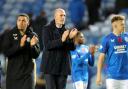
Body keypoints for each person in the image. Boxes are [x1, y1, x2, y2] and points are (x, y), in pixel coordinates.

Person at [41, 8, 78, 89]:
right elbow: (47, 45)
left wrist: (71, 38)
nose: (63, 17)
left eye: (64, 15)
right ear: (55, 17)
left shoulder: (67, 30)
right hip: (50, 66)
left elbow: (72, 48)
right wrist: (62, 40)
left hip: (63, 67)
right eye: (61, 15)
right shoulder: (47, 29)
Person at [3, 14, 40, 89]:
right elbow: (6, 52)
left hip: (28, 75)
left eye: (23, 21)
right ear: (16, 22)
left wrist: (33, 46)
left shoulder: (33, 35)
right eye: (19, 20)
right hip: (13, 75)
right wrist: (20, 45)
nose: (21, 22)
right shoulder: (9, 34)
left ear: (28, 23)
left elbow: (36, 55)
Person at [96, 15, 128, 89]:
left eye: (124, 24)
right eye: (122, 24)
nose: (124, 26)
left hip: (126, 78)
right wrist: (98, 76)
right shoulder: (107, 39)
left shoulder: (127, 36)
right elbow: (101, 59)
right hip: (112, 78)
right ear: (115, 25)